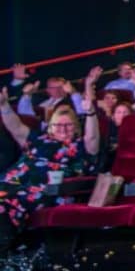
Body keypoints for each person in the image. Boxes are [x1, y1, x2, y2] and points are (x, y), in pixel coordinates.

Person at [0, 86, 100, 254]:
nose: (63, 129)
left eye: (68, 125)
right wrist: (3, 105)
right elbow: (15, 127)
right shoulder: (39, 139)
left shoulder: (80, 146)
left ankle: (5, 252)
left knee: (3, 204)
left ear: (76, 127)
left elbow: (93, 137)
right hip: (10, 183)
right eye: (58, 125)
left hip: (45, 191)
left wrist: (90, 113)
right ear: (50, 127)